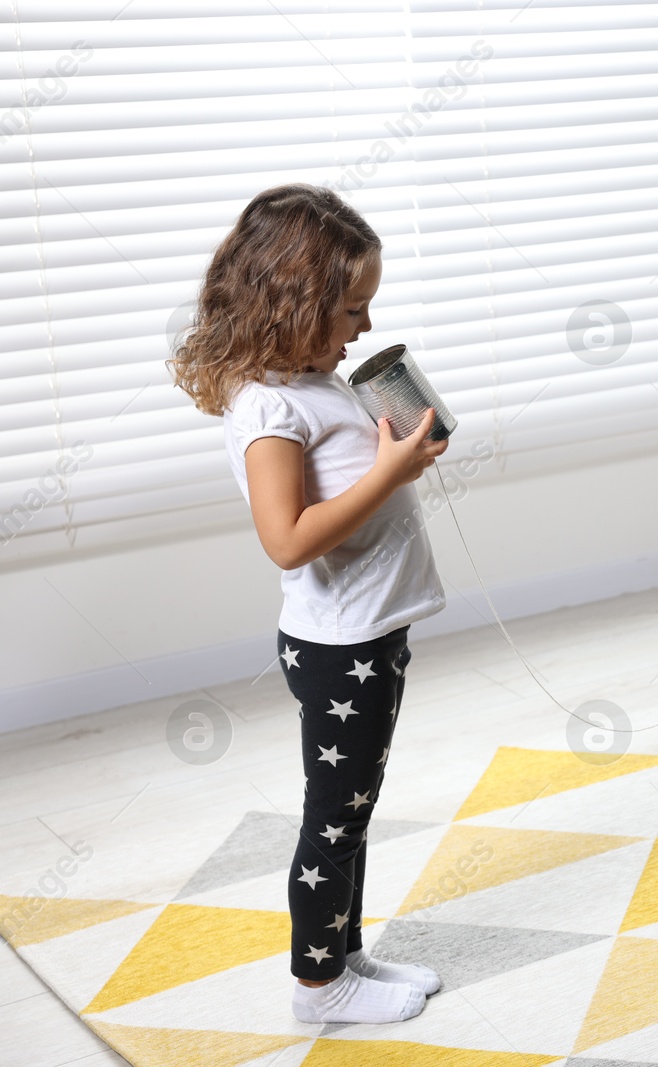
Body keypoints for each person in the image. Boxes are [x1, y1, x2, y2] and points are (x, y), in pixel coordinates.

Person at [169, 183, 448, 1024]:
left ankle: (345, 954)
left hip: (371, 630)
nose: (364, 326)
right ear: (293, 305)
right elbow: (287, 538)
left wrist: (397, 441)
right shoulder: (268, 405)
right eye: (351, 309)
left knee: (353, 812)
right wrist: (386, 474)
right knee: (333, 819)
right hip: (338, 646)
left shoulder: (315, 378)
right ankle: (317, 986)